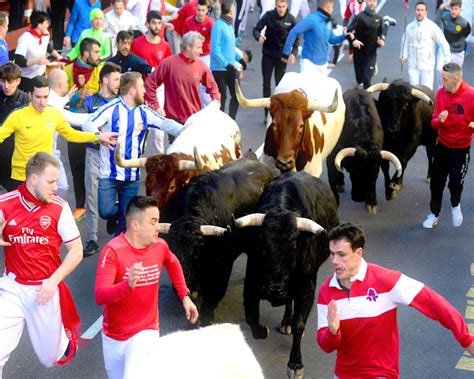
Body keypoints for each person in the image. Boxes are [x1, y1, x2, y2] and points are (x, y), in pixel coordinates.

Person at [317, 222, 474, 378]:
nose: (334, 261)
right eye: (332, 254)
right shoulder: (326, 291)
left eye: (341, 254)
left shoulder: (386, 280)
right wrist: (332, 331)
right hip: (343, 375)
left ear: (358, 253)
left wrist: (466, 339)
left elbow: (433, 302)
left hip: (381, 375)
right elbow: (326, 346)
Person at [0, 152, 86, 375]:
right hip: (12, 288)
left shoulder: (59, 208)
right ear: (33, 179)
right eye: (51, 181)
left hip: (44, 290)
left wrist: (53, 281)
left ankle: (63, 342)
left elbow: (76, 251)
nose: (55, 187)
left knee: (49, 358)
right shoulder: (6, 203)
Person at [94, 195, 199, 379]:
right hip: (114, 337)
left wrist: (185, 295)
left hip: (146, 331)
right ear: (135, 225)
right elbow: (100, 295)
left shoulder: (160, 246)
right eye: (153, 222)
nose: (158, 227)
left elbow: (173, 264)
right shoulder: (112, 251)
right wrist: (126, 285)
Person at [82, 72, 185, 236]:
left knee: (125, 219)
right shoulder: (111, 109)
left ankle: (117, 250)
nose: (145, 91)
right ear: (132, 90)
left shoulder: (145, 112)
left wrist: (186, 129)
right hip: (109, 174)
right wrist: (99, 136)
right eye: (142, 86)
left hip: (132, 177)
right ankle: (114, 215)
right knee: (105, 211)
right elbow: (88, 124)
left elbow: (165, 123)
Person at [0, 76, 118, 191]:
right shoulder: (17, 116)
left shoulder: (54, 114)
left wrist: (98, 136)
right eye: (38, 97)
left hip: (44, 176)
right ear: (30, 95)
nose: (42, 102)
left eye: (46, 97)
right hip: (21, 177)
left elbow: (71, 134)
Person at [74, 62, 121, 257]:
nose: (119, 83)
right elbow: (79, 122)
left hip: (114, 155)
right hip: (94, 153)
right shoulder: (89, 101)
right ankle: (92, 239)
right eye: (116, 79)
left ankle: (113, 215)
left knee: (113, 198)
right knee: (91, 198)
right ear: (105, 79)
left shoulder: (121, 102)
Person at [422, 63, 474, 228]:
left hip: (461, 148)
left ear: (456, 79)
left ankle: (455, 204)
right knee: (436, 183)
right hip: (443, 145)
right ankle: (434, 214)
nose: (441, 80)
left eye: (444, 78)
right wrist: (440, 121)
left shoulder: (471, 95)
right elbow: (434, 123)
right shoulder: (440, 93)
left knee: (455, 182)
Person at [64, 37, 103, 220]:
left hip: (97, 123)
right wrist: (77, 96)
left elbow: (107, 93)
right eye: (96, 52)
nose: (99, 56)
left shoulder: (101, 70)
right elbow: (61, 101)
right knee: (77, 165)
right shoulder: (68, 70)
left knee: (100, 166)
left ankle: (103, 204)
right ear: (86, 53)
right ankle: (80, 206)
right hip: (74, 124)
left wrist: (94, 96)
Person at [145, 31, 221, 124]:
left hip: (193, 120)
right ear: (188, 47)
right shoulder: (168, 63)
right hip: (173, 121)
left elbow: (213, 86)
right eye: (198, 47)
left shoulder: (201, 66)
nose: (201, 51)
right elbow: (149, 83)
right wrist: (156, 105)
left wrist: (216, 100)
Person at [47, 69, 90, 199]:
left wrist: (66, 98)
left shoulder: (52, 98)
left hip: (51, 152)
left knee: (61, 186)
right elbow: (74, 119)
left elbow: (58, 104)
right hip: (47, 153)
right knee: (60, 186)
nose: (68, 84)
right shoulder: (51, 103)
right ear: (60, 85)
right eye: (66, 82)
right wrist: (100, 116)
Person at [252, 0, 298, 124]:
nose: (281, 9)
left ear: (287, 5)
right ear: (275, 5)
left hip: (281, 57)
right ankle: (267, 113)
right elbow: (256, 29)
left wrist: (293, 53)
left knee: (280, 85)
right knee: (266, 83)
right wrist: (258, 36)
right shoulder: (268, 15)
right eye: (278, 6)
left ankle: (279, 111)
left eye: (283, 6)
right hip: (267, 54)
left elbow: (297, 38)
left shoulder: (292, 19)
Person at [282, 0, 348, 76]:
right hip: (309, 64)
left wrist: (345, 36)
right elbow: (293, 32)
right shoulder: (311, 20)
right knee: (308, 88)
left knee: (321, 88)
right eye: (332, 8)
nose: (333, 10)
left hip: (323, 64)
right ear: (327, 8)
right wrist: (286, 53)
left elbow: (332, 39)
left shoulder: (328, 23)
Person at [400, 1, 451, 90]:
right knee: (413, 90)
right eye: (418, 10)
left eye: (422, 10)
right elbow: (405, 43)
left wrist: (447, 62)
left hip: (427, 66)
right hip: (413, 65)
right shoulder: (409, 27)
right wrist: (403, 55)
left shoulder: (432, 27)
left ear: (426, 12)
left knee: (426, 92)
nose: (420, 12)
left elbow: (443, 43)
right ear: (415, 11)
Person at [210, 0, 246, 120]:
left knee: (236, 96)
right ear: (231, 11)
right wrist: (226, 64)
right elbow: (215, 49)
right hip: (219, 69)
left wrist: (240, 59)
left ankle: (231, 120)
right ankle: (219, 122)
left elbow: (230, 46)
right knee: (222, 97)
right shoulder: (218, 26)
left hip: (230, 67)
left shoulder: (229, 25)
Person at [14, 10, 62, 92]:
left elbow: (47, 46)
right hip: (26, 79)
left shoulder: (46, 34)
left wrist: (59, 57)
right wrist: (36, 61)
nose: (48, 25)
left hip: (41, 74)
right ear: (39, 25)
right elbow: (18, 61)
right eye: (46, 23)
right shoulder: (24, 38)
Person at [0, 63, 30, 192]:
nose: (6, 86)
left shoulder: (26, 100)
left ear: (18, 81)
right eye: (3, 81)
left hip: (16, 160)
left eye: (10, 81)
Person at [346, 0, 386, 89]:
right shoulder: (360, 17)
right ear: (366, 2)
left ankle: (367, 100)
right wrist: (354, 40)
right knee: (360, 80)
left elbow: (380, 34)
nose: (372, 3)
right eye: (370, 1)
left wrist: (381, 41)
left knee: (367, 79)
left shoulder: (379, 19)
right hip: (359, 53)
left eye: (374, 1)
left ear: (376, 3)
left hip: (371, 54)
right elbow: (348, 32)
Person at [435, 0, 471, 68]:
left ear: (460, 10)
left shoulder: (464, 23)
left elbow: (467, 32)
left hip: (458, 52)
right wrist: (440, 8)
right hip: (445, 50)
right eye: (452, 9)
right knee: (440, 69)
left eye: (456, 9)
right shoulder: (445, 16)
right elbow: (436, 22)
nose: (453, 11)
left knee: (454, 75)